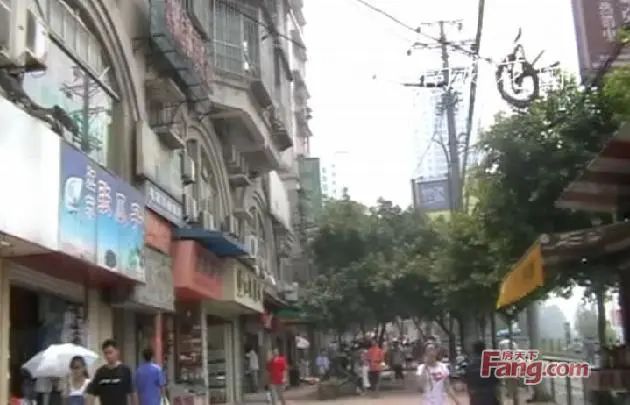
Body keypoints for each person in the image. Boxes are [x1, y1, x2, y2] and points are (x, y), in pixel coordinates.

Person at [87, 339, 137, 405]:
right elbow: (91, 393)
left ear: (117, 352)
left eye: (110, 352)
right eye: (106, 353)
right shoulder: (100, 372)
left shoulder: (125, 370)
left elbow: (133, 393)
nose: (108, 356)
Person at [464, 341, 500, 405]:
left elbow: (464, 377)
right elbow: (496, 378)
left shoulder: (468, 361)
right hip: (489, 393)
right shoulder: (490, 360)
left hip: (475, 394)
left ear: (473, 349)